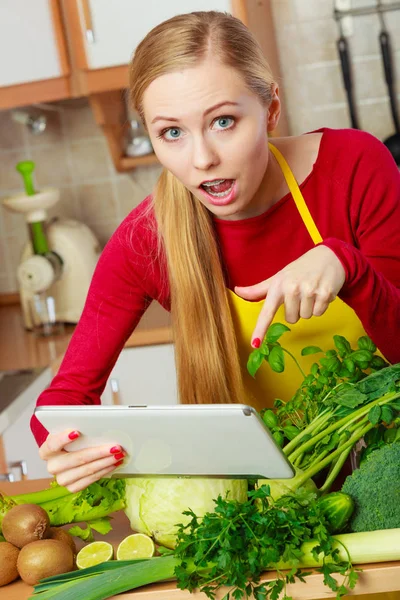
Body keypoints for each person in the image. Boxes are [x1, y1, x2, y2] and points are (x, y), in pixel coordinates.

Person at [31, 11, 400, 495]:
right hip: (280, 498)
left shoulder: (353, 167)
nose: (202, 158)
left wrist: (346, 265)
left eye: (223, 122)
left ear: (270, 108)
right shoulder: (147, 238)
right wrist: (63, 445)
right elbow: (63, 400)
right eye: (172, 133)